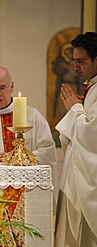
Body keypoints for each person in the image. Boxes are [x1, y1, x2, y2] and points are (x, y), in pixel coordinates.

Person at [0, 66, 57, 198]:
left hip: (28, 191)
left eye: (2, 87)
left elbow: (47, 150)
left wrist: (20, 158)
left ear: (12, 86)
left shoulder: (32, 116)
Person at [55, 32, 97, 246]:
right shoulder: (93, 88)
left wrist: (75, 110)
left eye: (81, 62)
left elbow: (93, 135)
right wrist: (80, 108)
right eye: (74, 62)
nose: (76, 68)